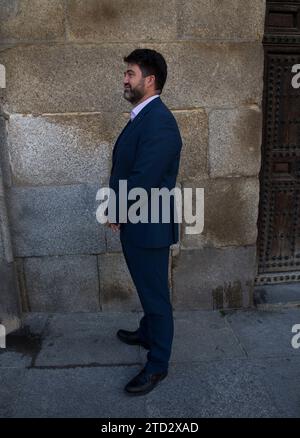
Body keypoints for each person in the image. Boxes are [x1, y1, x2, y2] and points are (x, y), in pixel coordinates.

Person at [107, 48, 182, 396]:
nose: (124, 78)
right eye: (125, 73)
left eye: (130, 73)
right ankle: (146, 331)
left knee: (156, 297)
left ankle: (158, 364)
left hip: (148, 226)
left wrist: (117, 210)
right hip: (137, 222)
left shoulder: (160, 122)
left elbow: (143, 179)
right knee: (146, 288)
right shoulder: (143, 116)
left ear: (149, 80)